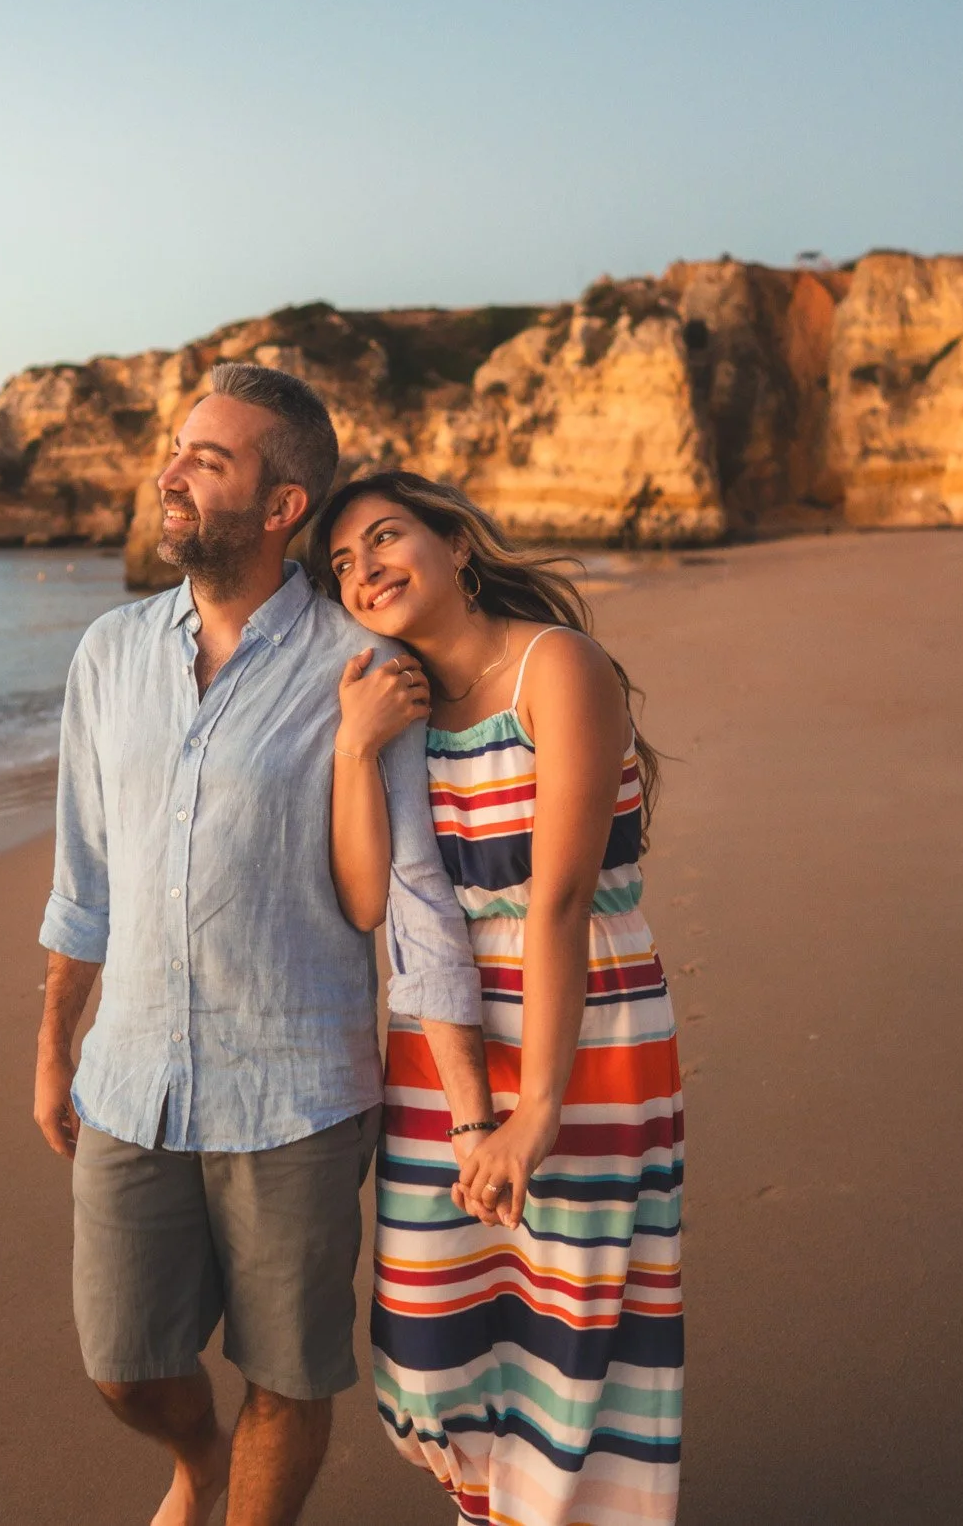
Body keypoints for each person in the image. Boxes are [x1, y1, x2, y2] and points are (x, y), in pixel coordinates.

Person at [33, 365, 497, 1526]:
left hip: (297, 1084)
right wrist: (55, 1043)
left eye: (209, 458)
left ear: (283, 505)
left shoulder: (362, 662)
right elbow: (81, 877)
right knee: (123, 1361)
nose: (172, 470)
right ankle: (197, 1462)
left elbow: (406, 895)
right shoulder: (108, 653)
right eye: (178, 448)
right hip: (130, 1076)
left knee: (288, 1372)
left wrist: (470, 1100)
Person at [311, 470, 684, 1526]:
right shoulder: (395, 700)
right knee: (431, 1336)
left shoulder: (554, 665)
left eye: (385, 538)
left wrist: (535, 1109)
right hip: (438, 1034)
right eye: (342, 562)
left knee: (571, 1329)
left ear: (457, 547)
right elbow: (363, 890)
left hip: (585, 1026)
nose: (364, 568)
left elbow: (559, 899)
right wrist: (353, 744)